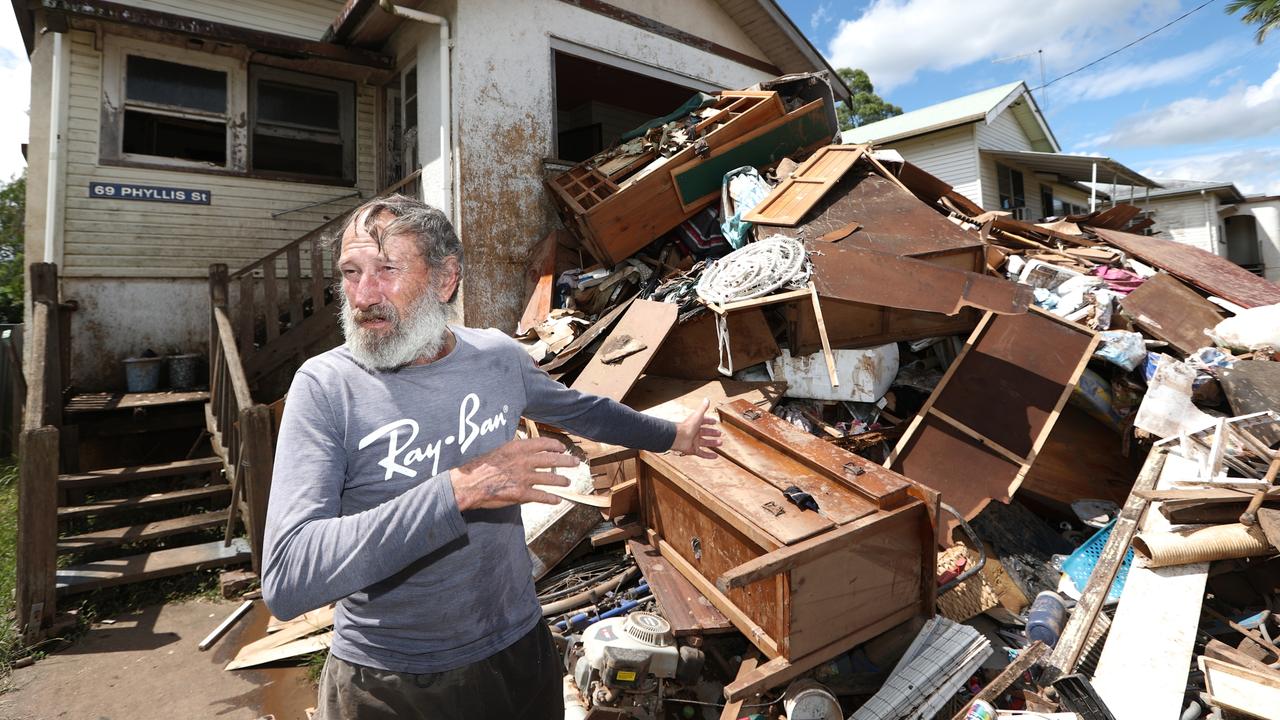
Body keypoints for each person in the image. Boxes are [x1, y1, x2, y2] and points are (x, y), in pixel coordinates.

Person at [261, 194, 721, 720]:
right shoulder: (325, 388)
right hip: (391, 681)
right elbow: (289, 577)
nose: (363, 295)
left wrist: (673, 435)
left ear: (445, 278)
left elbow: (583, 411)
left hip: (518, 650)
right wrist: (461, 489)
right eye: (350, 272)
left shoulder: (496, 357)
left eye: (387, 269)